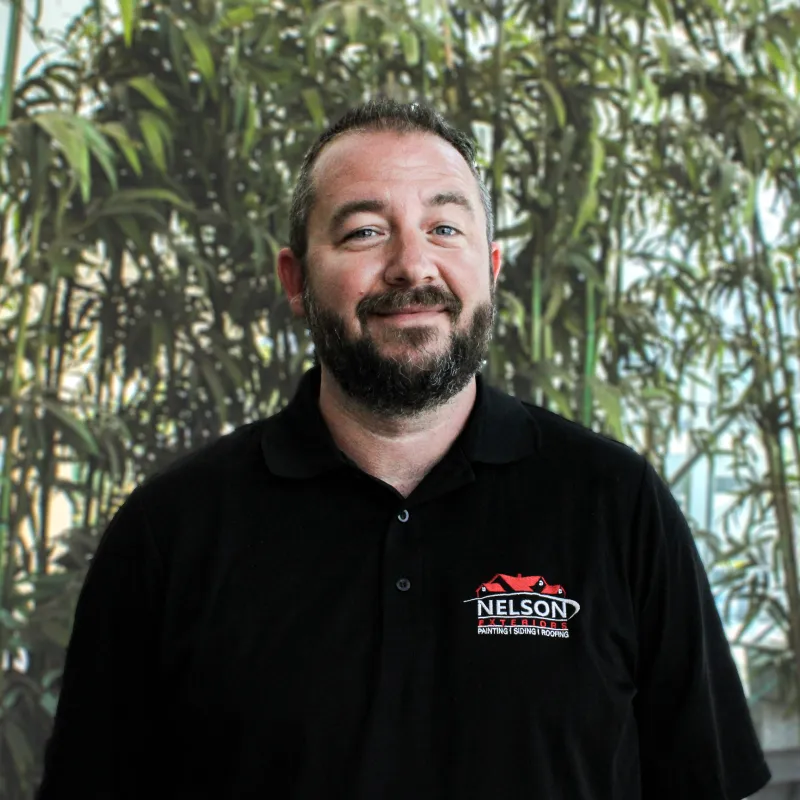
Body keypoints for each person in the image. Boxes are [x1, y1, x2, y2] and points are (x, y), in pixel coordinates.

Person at [37, 99, 771, 799]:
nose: (413, 266)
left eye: (444, 228)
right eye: (364, 232)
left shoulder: (618, 502)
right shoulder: (170, 531)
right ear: (295, 280)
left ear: (491, 268)